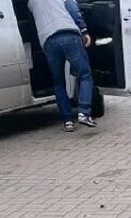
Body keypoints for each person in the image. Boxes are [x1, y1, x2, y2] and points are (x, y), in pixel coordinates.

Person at [28, 0, 98, 132]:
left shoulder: (31, 3)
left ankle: (67, 121)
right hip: (69, 34)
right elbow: (72, 8)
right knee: (85, 75)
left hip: (48, 40)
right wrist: (83, 30)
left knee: (58, 82)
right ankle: (84, 112)